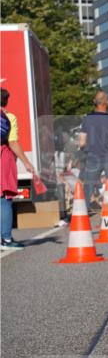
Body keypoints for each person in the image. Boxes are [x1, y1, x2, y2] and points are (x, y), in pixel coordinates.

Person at [1, 88, 39, 249]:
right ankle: (6, 239)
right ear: (6, 101)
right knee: (4, 199)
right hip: (3, 157)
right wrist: (26, 162)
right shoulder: (8, 118)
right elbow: (13, 142)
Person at [79, 90, 108, 212]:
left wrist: (88, 150)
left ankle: (81, 216)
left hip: (93, 157)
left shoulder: (87, 119)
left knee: (87, 187)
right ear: (107, 103)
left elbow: (82, 142)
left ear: (94, 102)